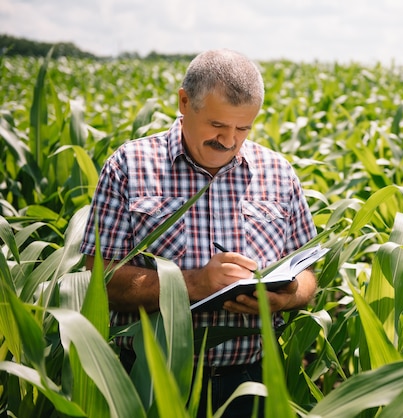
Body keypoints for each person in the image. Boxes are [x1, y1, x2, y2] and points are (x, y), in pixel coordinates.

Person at [80, 48, 318, 417]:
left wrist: (286, 298)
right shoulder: (130, 166)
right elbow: (99, 278)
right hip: (150, 381)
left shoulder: (278, 172)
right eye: (217, 125)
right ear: (183, 101)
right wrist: (193, 284)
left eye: (243, 128)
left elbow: (307, 273)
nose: (229, 140)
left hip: (250, 383)